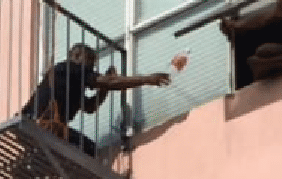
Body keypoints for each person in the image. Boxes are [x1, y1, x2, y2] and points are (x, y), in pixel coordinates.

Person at [21, 44, 170, 156]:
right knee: (89, 150)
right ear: (77, 56)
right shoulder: (69, 68)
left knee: (72, 148)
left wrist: (105, 87)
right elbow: (107, 82)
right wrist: (147, 79)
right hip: (42, 125)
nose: (92, 66)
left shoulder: (68, 83)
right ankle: (31, 167)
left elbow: (90, 106)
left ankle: (27, 168)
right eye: (90, 61)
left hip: (38, 126)